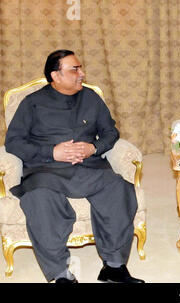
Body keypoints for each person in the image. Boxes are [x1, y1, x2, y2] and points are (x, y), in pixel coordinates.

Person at [5, 50, 145, 283]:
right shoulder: (32, 103)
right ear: (56, 75)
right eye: (75, 69)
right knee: (40, 199)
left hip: (89, 167)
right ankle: (61, 275)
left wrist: (94, 148)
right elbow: (13, 142)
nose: (82, 73)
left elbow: (111, 132)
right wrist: (51, 152)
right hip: (45, 170)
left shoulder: (91, 98)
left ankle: (113, 267)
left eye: (80, 68)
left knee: (119, 189)